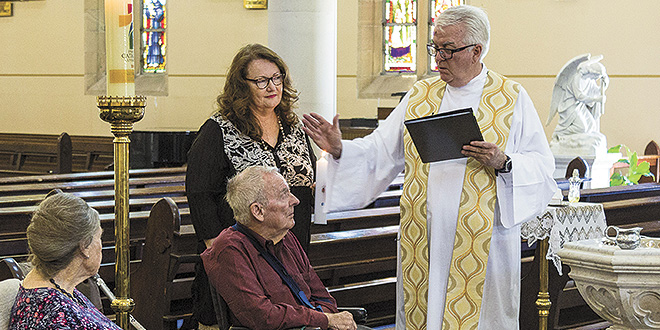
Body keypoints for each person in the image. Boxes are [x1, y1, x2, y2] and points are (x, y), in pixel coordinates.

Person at [302, 5, 556, 330]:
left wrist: (504, 162)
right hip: (423, 237)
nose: (438, 59)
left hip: (484, 246)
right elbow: (381, 150)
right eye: (435, 48)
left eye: (448, 50)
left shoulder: (510, 98)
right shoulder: (421, 94)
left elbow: (542, 168)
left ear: (476, 50)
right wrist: (339, 148)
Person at [186, 43, 316, 328]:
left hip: (291, 251)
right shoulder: (220, 129)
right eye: (261, 80)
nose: (272, 86)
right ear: (241, 86)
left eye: (277, 77)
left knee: (291, 318)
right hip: (239, 259)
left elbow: (309, 184)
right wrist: (220, 253)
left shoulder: (294, 128)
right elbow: (200, 193)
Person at [201, 166, 358, 330]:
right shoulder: (230, 249)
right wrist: (322, 320)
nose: (295, 200)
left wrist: (321, 320)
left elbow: (324, 298)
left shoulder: (285, 237)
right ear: (258, 211)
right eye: (284, 195)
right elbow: (262, 317)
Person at [9, 190, 120, 330]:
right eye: (99, 237)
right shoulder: (54, 314)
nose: (100, 246)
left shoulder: (59, 287)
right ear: (84, 247)